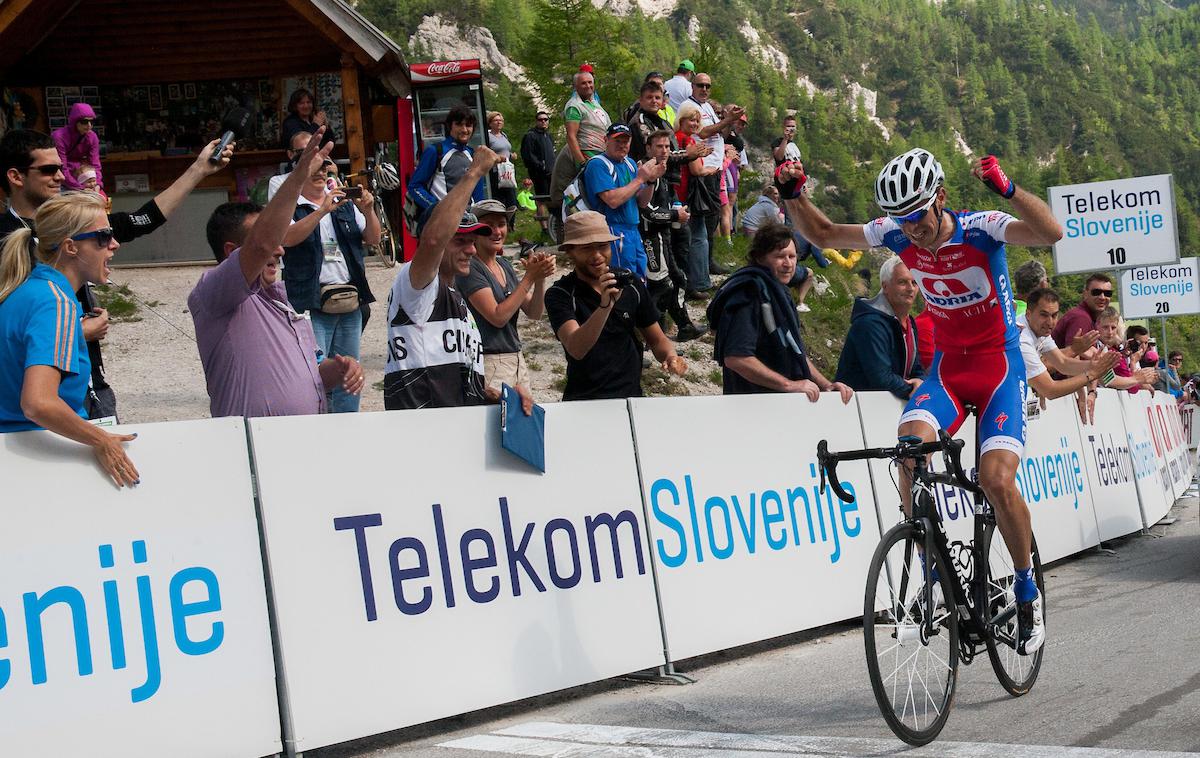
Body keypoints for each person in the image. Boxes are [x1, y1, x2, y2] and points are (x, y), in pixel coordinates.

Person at [781, 148, 1063, 655]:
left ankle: (1025, 588)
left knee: (996, 480)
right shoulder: (893, 235)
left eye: (918, 218)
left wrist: (1008, 189)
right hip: (949, 370)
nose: (912, 231)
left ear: (941, 199)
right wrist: (792, 193)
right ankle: (933, 563)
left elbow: (1050, 234)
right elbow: (823, 235)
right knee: (908, 448)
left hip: (999, 368)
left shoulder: (983, 228)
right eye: (902, 222)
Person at [0, 129, 234, 422]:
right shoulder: (8, 239)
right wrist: (75, 333)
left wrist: (199, 170)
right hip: (32, 390)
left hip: (90, 383)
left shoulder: (79, 222)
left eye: (61, 167)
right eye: (49, 169)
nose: (60, 176)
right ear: (15, 176)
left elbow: (144, 219)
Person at [191, 131, 364, 419]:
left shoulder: (282, 300)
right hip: (252, 449)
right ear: (232, 251)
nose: (280, 250)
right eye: (273, 242)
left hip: (299, 446)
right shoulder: (214, 292)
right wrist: (298, 177)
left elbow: (311, 374)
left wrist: (339, 369)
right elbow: (260, 245)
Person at [0, 192, 138, 487]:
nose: (114, 244)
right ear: (71, 247)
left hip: (16, 456)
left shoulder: (24, 292)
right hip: (42, 461)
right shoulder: (57, 302)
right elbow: (38, 403)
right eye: (103, 236)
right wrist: (101, 439)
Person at [384, 144, 533, 413]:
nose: (471, 249)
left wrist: (495, 396)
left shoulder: (454, 295)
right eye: (460, 241)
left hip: (454, 426)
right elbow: (432, 239)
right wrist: (474, 172)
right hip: (422, 429)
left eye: (473, 241)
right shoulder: (416, 287)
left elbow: (459, 377)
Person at [545, 211, 687, 400]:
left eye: (603, 246)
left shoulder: (629, 283)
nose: (597, 256)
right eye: (586, 248)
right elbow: (576, 348)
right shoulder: (560, 293)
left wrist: (670, 356)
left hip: (631, 396)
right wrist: (605, 306)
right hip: (584, 400)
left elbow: (656, 339)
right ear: (570, 251)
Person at [280, 153, 380, 413]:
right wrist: (322, 209)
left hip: (349, 301)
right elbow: (288, 239)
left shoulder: (344, 204)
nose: (321, 174)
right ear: (298, 173)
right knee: (312, 373)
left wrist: (368, 211)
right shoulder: (289, 205)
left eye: (325, 169)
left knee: (350, 372)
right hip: (310, 304)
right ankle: (317, 423)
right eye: (314, 169)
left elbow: (373, 238)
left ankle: (348, 426)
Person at [707, 223, 853, 401]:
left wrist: (826, 385)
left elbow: (794, 350)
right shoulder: (749, 294)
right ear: (760, 258)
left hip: (779, 406)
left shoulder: (775, 290)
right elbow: (737, 358)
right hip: (752, 408)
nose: (788, 264)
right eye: (779, 256)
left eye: (792, 256)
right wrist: (789, 385)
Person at [456, 198, 555, 397]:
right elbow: (497, 316)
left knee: (520, 423)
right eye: (489, 226)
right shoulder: (471, 268)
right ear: (476, 231)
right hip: (490, 361)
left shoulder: (504, 265)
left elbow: (534, 312)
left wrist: (539, 279)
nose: (497, 231)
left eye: (501, 225)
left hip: (516, 359)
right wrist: (529, 277)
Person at [639, 130, 706, 342]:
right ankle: (651, 335)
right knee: (660, 286)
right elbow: (646, 211)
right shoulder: (647, 171)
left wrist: (679, 210)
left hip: (664, 235)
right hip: (649, 237)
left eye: (667, 146)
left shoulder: (665, 169)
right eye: (659, 146)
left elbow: (668, 201)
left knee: (678, 279)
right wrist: (674, 214)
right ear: (649, 148)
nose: (665, 150)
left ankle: (684, 326)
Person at [583, 123, 665, 279]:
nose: (622, 145)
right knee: (622, 278)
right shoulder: (598, 164)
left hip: (633, 228)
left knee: (640, 275)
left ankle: (638, 301)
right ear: (606, 140)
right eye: (617, 141)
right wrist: (640, 178)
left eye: (625, 141)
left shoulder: (630, 163)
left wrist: (651, 181)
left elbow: (641, 202)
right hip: (613, 229)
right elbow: (612, 200)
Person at [835, 258, 924, 400]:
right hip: (857, 408)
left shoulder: (909, 323)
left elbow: (916, 369)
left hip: (888, 406)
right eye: (902, 282)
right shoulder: (869, 323)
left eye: (914, 283)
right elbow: (881, 378)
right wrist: (913, 390)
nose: (910, 288)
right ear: (885, 286)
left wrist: (920, 384)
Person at [687, 74, 744, 279]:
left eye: (708, 86)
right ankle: (699, 270)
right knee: (703, 222)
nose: (704, 89)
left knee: (711, 220)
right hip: (703, 170)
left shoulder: (708, 108)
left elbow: (722, 134)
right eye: (700, 85)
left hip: (714, 170)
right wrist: (727, 120)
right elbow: (703, 132)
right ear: (692, 86)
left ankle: (708, 262)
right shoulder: (690, 105)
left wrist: (731, 119)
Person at [1019, 288, 1117, 406]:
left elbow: (1062, 363)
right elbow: (1050, 390)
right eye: (1044, 315)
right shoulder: (1022, 339)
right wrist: (1091, 374)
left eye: (1054, 315)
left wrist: (1094, 365)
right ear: (1028, 314)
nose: (1050, 322)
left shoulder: (1039, 329)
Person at [406, 106, 487, 231]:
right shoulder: (435, 151)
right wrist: (436, 207)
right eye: (459, 125)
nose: (465, 130)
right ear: (450, 126)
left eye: (469, 125)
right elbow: (415, 186)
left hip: (468, 224)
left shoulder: (473, 155)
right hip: (440, 224)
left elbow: (478, 195)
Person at [674, 102, 721, 297]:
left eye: (697, 121)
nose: (694, 124)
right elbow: (697, 170)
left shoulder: (675, 138)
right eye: (691, 120)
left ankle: (688, 281)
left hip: (678, 192)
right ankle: (699, 282)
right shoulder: (688, 141)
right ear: (682, 120)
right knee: (699, 237)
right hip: (689, 194)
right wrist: (711, 169)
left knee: (684, 239)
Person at [1095, 307, 1158, 393]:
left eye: (1113, 328)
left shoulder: (1113, 351)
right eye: (1105, 327)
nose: (1110, 332)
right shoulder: (1095, 348)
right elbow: (1109, 380)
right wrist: (1136, 377)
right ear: (1097, 325)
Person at [1051, 273, 1113, 350]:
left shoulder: (1088, 316)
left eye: (1107, 293)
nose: (1102, 297)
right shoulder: (1080, 318)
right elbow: (1074, 356)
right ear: (1085, 294)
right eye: (1096, 292)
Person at [519, 111, 556, 236]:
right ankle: (545, 229)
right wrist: (541, 166)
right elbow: (527, 155)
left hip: (552, 173)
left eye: (546, 119)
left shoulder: (549, 136)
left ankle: (554, 225)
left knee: (553, 198)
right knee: (541, 200)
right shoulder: (530, 136)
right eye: (541, 120)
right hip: (539, 174)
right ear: (537, 121)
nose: (543, 121)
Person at [564, 70, 611, 165]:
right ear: (575, 86)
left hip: (605, 154)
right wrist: (582, 162)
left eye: (590, 82)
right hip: (589, 155)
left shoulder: (594, 102)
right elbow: (571, 136)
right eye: (583, 83)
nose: (588, 86)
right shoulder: (574, 106)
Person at [52, 103, 102, 192]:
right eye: (84, 122)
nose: (89, 125)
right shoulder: (59, 136)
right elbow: (62, 166)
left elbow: (95, 163)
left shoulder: (92, 136)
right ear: (75, 121)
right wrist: (79, 188)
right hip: (63, 179)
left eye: (92, 122)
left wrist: (97, 183)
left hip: (84, 176)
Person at [485, 111, 518, 213]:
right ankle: (500, 221)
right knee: (499, 199)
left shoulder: (504, 135)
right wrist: (498, 158)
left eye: (500, 120)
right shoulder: (488, 136)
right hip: (495, 171)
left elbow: (505, 150)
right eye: (496, 120)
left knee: (512, 199)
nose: (499, 122)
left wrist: (511, 155)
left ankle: (511, 224)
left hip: (507, 171)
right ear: (490, 123)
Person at [267, 131, 312, 201]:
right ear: (290, 154)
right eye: (301, 152)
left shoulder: (325, 178)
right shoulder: (278, 182)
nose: (307, 155)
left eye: (311, 150)